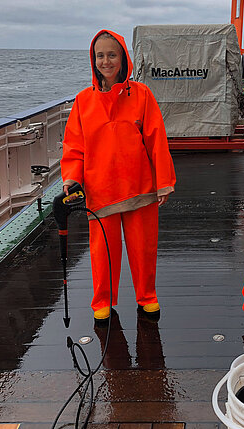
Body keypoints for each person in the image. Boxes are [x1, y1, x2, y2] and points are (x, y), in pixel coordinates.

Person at [61, 29, 176, 324]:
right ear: (93, 59)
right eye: (100, 55)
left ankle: (147, 296)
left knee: (143, 249)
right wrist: (71, 179)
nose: (106, 61)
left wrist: (163, 182)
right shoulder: (83, 101)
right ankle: (102, 301)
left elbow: (156, 140)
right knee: (103, 253)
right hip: (101, 192)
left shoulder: (142, 95)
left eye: (112, 55)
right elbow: (75, 146)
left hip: (140, 188)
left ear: (123, 58)